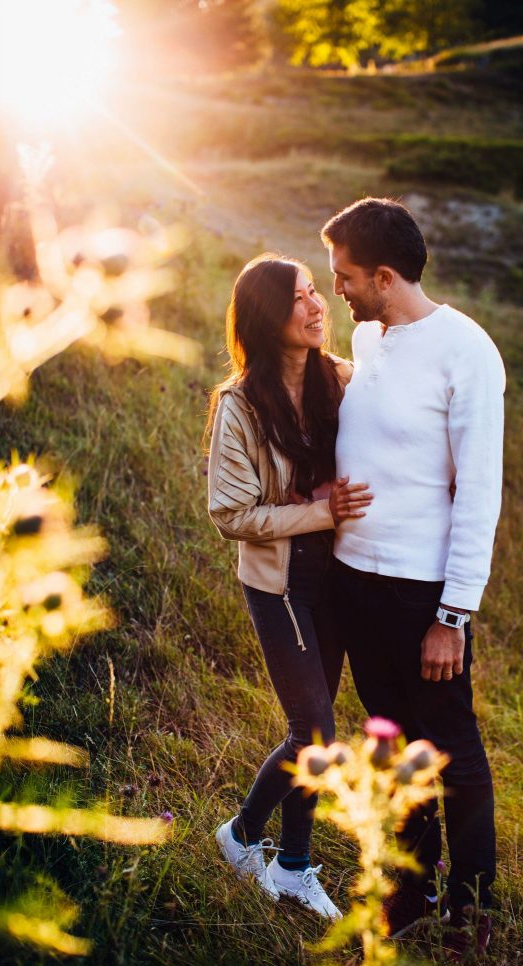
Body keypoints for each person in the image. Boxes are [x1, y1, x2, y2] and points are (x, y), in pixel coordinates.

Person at [321, 198, 505, 955]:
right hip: (354, 582)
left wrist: (452, 614)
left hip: (419, 593)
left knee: (450, 747)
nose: (338, 290)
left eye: (345, 277)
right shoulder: (372, 336)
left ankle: (472, 905)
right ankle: (410, 888)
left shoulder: (465, 351)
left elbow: (478, 491)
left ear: (386, 276)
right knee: (389, 740)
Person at [206, 253, 372, 918]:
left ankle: (268, 851)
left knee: (311, 729)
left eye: (314, 292)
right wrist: (320, 512)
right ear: (267, 318)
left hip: (339, 580)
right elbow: (229, 513)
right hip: (279, 586)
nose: (315, 306)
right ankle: (266, 851)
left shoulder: (342, 379)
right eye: (298, 298)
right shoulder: (239, 404)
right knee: (316, 735)